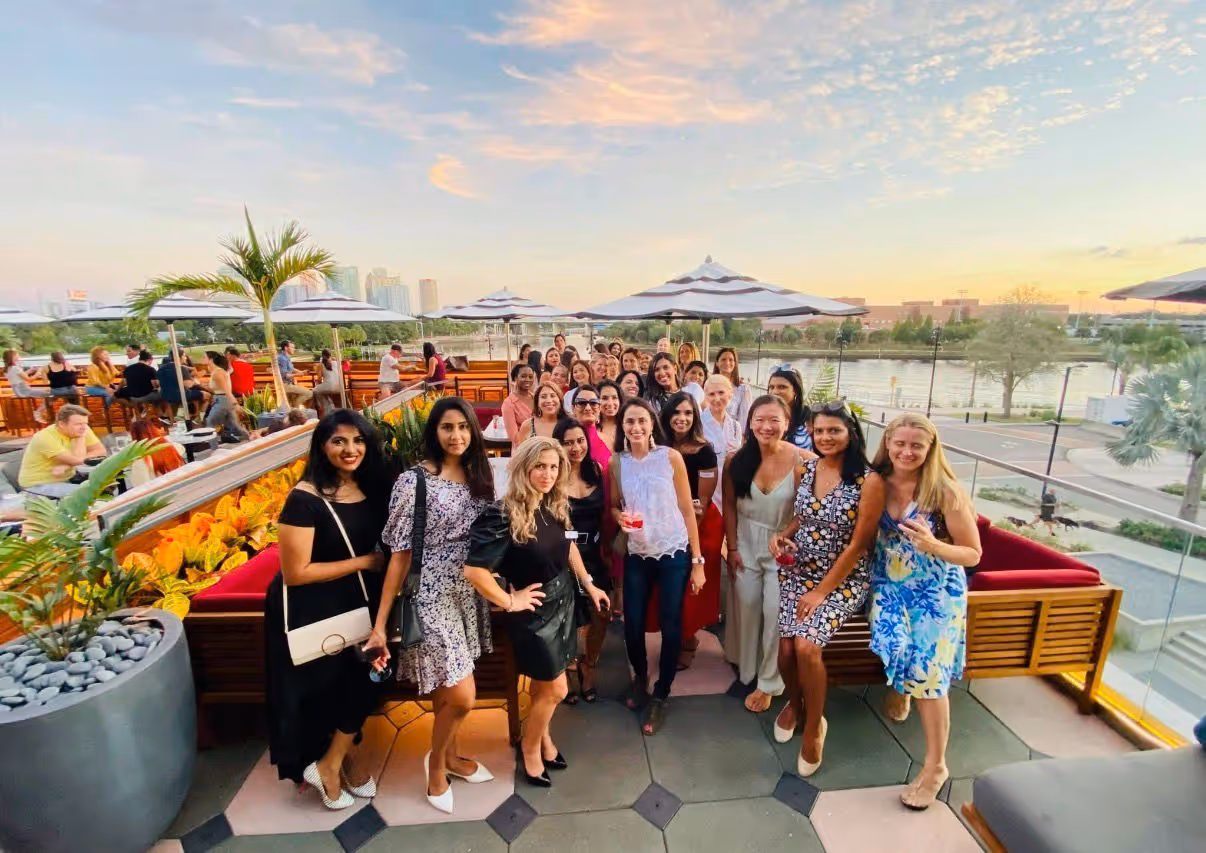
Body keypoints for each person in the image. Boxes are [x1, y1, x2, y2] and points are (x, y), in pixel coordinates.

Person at [365, 397, 495, 815]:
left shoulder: (480, 475)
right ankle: (435, 764)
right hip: (429, 594)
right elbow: (399, 555)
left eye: (462, 427)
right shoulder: (414, 482)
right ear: (433, 433)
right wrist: (381, 624)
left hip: (468, 591)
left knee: (447, 687)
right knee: (462, 696)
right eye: (446, 428)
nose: (456, 436)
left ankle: (453, 756)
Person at [464, 437, 609, 787]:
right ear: (524, 467)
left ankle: (542, 737)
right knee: (558, 688)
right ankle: (530, 747)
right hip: (533, 612)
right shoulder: (502, 513)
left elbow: (570, 544)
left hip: (564, 602)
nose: (547, 474)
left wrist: (589, 584)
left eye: (553, 467)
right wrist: (509, 601)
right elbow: (474, 571)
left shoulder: (555, 503)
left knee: (546, 686)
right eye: (539, 466)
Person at [265, 410, 390, 809]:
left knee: (366, 677)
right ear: (322, 445)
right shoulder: (304, 498)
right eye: (339, 441)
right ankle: (333, 763)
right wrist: (364, 564)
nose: (350, 449)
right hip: (318, 605)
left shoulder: (367, 486)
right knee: (337, 685)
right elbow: (295, 572)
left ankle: (336, 758)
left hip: (360, 601)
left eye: (358, 441)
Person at [869, 413, 981, 810]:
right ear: (887, 442)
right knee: (892, 645)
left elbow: (972, 552)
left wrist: (934, 545)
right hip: (889, 586)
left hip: (935, 592)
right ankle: (902, 689)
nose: (907, 451)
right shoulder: (876, 481)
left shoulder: (943, 491)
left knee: (929, 678)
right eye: (900, 443)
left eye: (917, 445)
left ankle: (936, 766)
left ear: (931, 449)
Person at [769, 401, 883, 777]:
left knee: (805, 646)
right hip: (800, 568)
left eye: (833, 430)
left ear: (851, 432)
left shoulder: (869, 481)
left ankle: (815, 727)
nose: (825, 438)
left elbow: (859, 545)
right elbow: (802, 515)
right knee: (785, 651)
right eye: (818, 431)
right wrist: (782, 537)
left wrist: (821, 592)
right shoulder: (809, 467)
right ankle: (796, 705)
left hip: (843, 579)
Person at [610, 398, 704, 734]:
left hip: (674, 552)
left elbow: (687, 509)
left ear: (652, 423)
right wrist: (619, 517)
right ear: (622, 426)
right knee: (632, 623)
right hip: (637, 551)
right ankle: (639, 676)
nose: (635, 428)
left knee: (671, 623)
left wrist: (697, 561)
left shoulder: (670, 457)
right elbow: (613, 506)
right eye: (629, 422)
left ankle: (662, 693)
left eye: (641, 421)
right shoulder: (617, 462)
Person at [722, 396, 811, 713]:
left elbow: (808, 510)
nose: (766, 426)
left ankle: (770, 682)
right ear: (750, 422)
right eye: (759, 419)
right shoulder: (735, 460)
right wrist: (731, 547)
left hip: (782, 546)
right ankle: (747, 669)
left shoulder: (803, 461)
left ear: (787, 424)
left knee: (774, 612)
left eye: (774, 420)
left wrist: (785, 535)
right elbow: (729, 507)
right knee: (746, 605)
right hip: (746, 539)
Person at [659, 392, 721, 670]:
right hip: (665, 521)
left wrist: (688, 534)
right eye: (676, 412)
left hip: (699, 524)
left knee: (690, 586)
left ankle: (688, 638)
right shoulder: (658, 445)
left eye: (688, 413)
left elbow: (703, 504)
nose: (681, 418)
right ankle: (673, 633)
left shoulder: (704, 450)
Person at [552, 420, 610, 704]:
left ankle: (590, 663)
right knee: (569, 617)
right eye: (568, 442)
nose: (576, 448)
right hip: (564, 555)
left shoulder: (596, 471)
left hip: (596, 552)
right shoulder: (552, 477)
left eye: (580, 441)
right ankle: (568, 666)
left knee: (601, 613)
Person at [18, 404, 107, 492]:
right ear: (61, 424)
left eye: (85, 423)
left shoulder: (82, 428)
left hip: (67, 478)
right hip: (40, 484)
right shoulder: (45, 437)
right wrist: (80, 438)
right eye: (78, 424)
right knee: (90, 493)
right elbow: (76, 460)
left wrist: (66, 465)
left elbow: (101, 451)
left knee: (109, 485)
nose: (83, 427)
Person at [203, 351, 250, 442]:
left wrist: (236, 405)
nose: (202, 359)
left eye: (204, 357)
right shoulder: (216, 371)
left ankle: (214, 449)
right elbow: (219, 389)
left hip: (223, 400)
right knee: (235, 426)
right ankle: (251, 439)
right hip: (222, 399)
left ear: (211, 359)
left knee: (210, 423)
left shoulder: (218, 373)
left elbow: (227, 391)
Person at [126, 418, 185, 487]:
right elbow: (181, 448)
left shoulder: (140, 461)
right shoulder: (173, 447)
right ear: (154, 430)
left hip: (161, 494)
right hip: (180, 488)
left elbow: (140, 488)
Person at [768, 368, 812, 451]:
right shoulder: (763, 416)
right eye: (771, 387)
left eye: (782, 387)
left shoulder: (808, 417)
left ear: (795, 390)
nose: (775, 392)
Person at [568, 383, 610, 470]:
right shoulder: (565, 441)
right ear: (573, 408)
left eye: (593, 403)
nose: (588, 408)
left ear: (599, 408)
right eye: (581, 403)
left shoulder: (610, 441)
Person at [4, 349, 51, 423]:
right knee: (51, 393)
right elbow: (30, 380)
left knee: (47, 391)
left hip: (19, 391)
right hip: (24, 391)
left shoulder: (8, 369)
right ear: (12, 357)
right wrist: (38, 372)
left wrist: (30, 371)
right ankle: (38, 412)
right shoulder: (15, 368)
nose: (18, 355)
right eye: (17, 354)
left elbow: (18, 377)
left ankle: (39, 412)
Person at [713, 347, 752, 428]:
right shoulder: (709, 386)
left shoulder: (743, 389)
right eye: (723, 359)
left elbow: (744, 418)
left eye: (731, 360)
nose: (727, 363)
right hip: (709, 434)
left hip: (732, 435)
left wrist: (740, 437)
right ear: (717, 363)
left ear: (735, 363)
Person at [516, 382, 564, 447]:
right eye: (543, 397)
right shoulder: (527, 425)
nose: (549, 400)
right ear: (537, 402)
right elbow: (520, 454)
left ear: (559, 400)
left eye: (553, 396)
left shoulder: (570, 423)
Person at [115, 348, 162, 414]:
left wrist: (118, 389)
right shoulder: (150, 369)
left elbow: (124, 382)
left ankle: (136, 407)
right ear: (149, 360)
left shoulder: (128, 368)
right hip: (147, 396)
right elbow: (156, 385)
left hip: (133, 396)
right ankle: (161, 415)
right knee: (162, 395)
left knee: (116, 395)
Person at [502, 363, 536, 443]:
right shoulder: (509, 403)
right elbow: (514, 438)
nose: (527, 379)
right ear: (515, 378)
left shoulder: (537, 398)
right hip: (522, 449)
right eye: (523, 376)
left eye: (530, 377)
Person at [277, 340, 314, 407]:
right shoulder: (282, 359)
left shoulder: (285, 357)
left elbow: (291, 368)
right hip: (285, 385)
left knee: (291, 401)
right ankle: (295, 407)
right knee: (309, 393)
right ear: (286, 348)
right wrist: (298, 375)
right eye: (292, 347)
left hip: (289, 384)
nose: (294, 349)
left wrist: (301, 372)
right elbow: (285, 375)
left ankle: (294, 408)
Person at [313, 349, 344, 415]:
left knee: (315, 390)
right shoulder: (337, 362)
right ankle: (330, 405)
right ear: (331, 355)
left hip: (329, 386)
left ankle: (324, 406)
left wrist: (318, 384)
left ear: (322, 356)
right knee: (323, 390)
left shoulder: (321, 365)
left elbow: (319, 379)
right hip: (340, 387)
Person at [596, 379, 622, 451]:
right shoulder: (592, 429)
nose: (610, 403)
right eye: (604, 398)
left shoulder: (627, 426)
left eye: (614, 398)